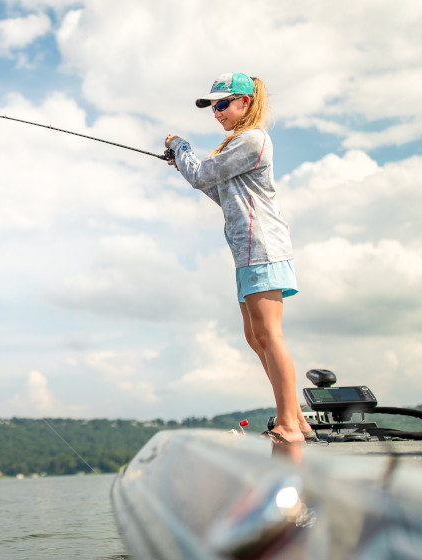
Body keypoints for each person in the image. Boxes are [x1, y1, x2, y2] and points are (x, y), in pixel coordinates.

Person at [164, 72, 312, 444]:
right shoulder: (238, 146)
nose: (217, 112)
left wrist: (180, 149)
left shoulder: (251, 139)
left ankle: (290, 425)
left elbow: (201, 176)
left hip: (262, 248)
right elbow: (216, 191)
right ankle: (296, 419)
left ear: (245, 103)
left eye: (223, 104)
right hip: (246, 251)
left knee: (269, 334)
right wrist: (184, 163)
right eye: (213, 106)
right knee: (254, 335)